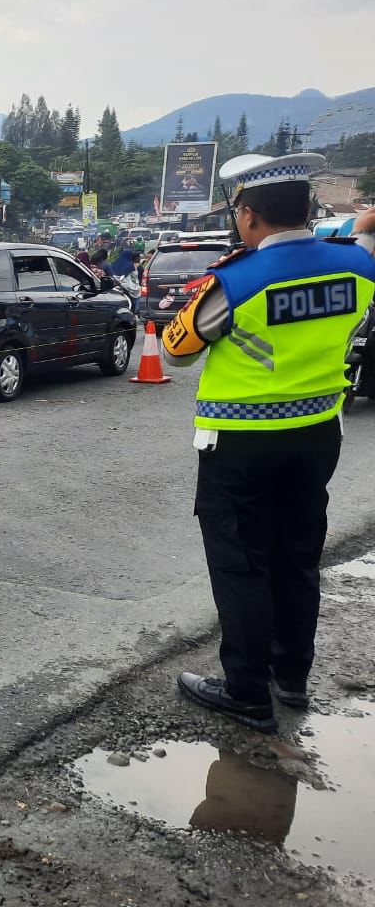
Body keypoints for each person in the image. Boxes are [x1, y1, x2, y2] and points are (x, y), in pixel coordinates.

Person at [161, 152, 375, 732]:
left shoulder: (237, 280)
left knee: (242, 564)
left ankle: (246, 690)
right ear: (307, 207)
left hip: (240, 446)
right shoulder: (356, 266)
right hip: (316, 436)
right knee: (297, 558)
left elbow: (176, 350)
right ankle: (292, 676)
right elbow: (365, 237)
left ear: (248, 215)